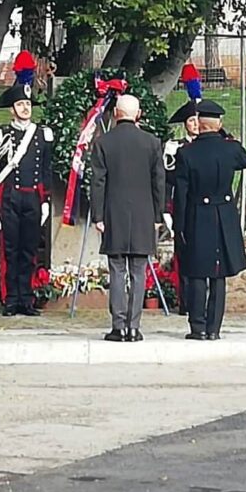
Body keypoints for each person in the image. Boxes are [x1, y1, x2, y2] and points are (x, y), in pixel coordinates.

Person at [173, 99, 246, 341]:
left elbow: (181, 193)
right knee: (218, 275)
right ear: (218, 124)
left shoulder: (186, 153)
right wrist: (225, 136)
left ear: (199, 124)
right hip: (224, 216)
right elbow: (245, 159)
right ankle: (214, 328)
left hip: (197, 215)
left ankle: (197, 328)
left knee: (197, 272)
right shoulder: (230, 148)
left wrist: (179, 226)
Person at [89, 94, 166, 342]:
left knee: (117, 270)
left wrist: (98, 215)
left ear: (115, 114)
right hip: (144, 215)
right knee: (139, 271)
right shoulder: (152, 142)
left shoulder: (104, 142)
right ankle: (134, 327)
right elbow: (159, 183)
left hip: (114, 214)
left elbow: (98, 182)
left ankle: (118, 326)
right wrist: (157, 215)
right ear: (138, 114)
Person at [0, 52, 53, 317]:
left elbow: (45, 169)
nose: (26, 108)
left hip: (33, 197)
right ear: (12, 108)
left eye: (28, 104)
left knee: (29, 249)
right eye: (21, 104)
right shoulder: (0, 134)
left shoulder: (42, 134)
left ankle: (27, 298)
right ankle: (10, 298)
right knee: (9, 249)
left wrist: (45, 200)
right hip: (10, 197)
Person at [163, 64, 202, 315]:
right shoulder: (174, 148)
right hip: (183, 209)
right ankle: (185, 301)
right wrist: (166, 210)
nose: (196, 124)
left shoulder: (215, 144)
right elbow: (167, 181)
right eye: (191, 120)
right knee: (184, 255)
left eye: (199, 119)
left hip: (206, 208)